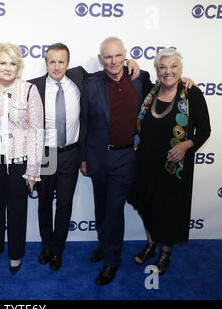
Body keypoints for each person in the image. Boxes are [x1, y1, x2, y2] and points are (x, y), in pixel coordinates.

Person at [28, 43, 140, 271]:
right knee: (44, 203)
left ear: (68, 64)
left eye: (61, 61)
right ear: (46, 63)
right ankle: (46, 245)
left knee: (65, 205)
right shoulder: (33, 86)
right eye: (52, 61)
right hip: (46, 154)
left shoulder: (80, 77)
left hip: (71, 154)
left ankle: (57, 249)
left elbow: (111, 68)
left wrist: (130, 63)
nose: (56, 66)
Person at [127, 48, 211, 275]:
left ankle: (165, 251)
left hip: (174, 166)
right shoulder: (149, 91)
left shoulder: (192, 94)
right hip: (146, 162)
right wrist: (128, 59)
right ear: (156, 70)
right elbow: (127, 69)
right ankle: (151, 243)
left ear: (181, 69)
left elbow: (204, 131)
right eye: (162, 67)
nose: (168, 71)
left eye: (173, 66)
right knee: (146, 204)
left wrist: (185, 145)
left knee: (168, 208)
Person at [81, 37, 153, 285]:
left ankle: (112, 261)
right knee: (101, 207)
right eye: (108, 57)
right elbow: (84, 123)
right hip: (98, 156)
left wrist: (186, 83)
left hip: (126, 157)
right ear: (101, 60)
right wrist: (83, 157)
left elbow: (166, 90)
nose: (113, 61)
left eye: (118, 56)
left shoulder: (139, 79)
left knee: (113, 209)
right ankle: (104, 243)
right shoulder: (90, 83)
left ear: (125, 56)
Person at [0, 43, 44, 274]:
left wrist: (33, 170)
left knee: (17, 210)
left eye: (13, 63)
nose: (8, 68)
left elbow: (37, 130)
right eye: (3, 62)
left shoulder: (29, 89)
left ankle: (16, 254)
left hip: (19, 162)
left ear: (19, 66)